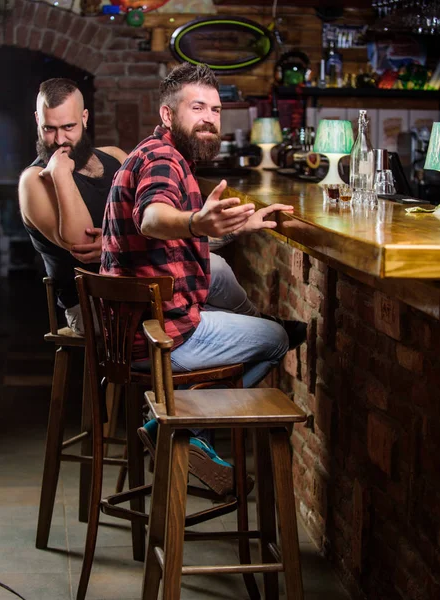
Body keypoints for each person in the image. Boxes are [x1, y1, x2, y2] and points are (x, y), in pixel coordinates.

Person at [101, 63, 307, 495]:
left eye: (215, 109)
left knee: (221, 279)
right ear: (167, 114)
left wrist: (240, 226)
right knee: (275, 339)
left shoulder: (155, 153)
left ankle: (184, 428)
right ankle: (175, 425)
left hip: (132, 328)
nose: (210, 118)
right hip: (158, 338)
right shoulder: (163, 160)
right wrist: (196, 221)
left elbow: (175, 244)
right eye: (197, 107)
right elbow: (153, 218)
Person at [18, 78, 127, 333]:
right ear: (37, 120)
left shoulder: (115, 156)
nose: (59, 140)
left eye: (69, 126)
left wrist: (115, 245)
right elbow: (82, 241)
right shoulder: (33, 181)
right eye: (49, 128)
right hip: (90, 305)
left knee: (212, 270)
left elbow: (148, 215)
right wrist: (61, 174)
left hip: (141, 279)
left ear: (85, 118)